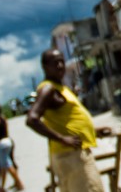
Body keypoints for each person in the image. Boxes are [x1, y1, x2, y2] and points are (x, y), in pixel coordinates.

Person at [26, 49, 111, 192]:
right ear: (45, 67)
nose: (60, 65)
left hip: (73, 154)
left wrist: (92, 131)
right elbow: (32, 119)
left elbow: (65, 120)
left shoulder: (59, 87)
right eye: (55, 63)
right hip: (71, 155)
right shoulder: (48, 88)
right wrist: (62, 139)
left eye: (61, 61)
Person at [0, 102, 24, 191]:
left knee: (7, 164)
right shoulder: (2, 117)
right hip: (7, 141)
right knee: (4, 166)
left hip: (0, 144)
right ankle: (2, 187)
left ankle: (19, 183)